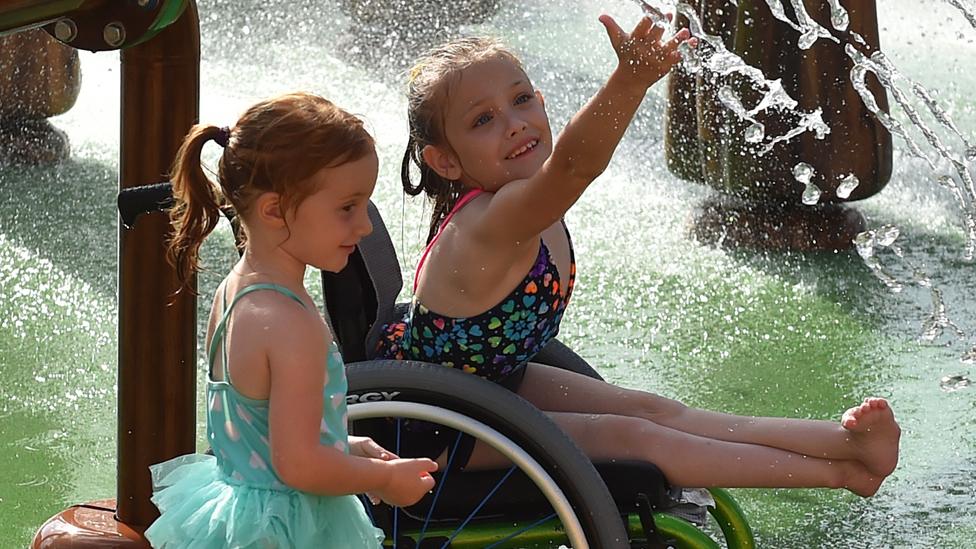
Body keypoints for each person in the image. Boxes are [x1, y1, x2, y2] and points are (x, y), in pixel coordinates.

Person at [377, 15, 900, 497]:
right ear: (444, 160)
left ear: (540, 99)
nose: (514, 123)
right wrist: (628, 82)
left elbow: (565, 172)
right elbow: (574, 167)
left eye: (520, 101)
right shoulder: (493, 221)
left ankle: (842, 440)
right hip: (438, 427)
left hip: (485, 384)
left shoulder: (517, 199)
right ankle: (840, 474)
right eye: (483, 120)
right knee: (632, 435)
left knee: (651, 409)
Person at [144, 92, 437, 548]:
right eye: (347, 207)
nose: (364, 227)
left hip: (243, 515)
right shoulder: (287, 323)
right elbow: (298, 466)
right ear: (275, 210)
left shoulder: (237, 293)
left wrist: (350, 449)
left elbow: (262, 435)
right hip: (290, 529)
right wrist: (381, 480)